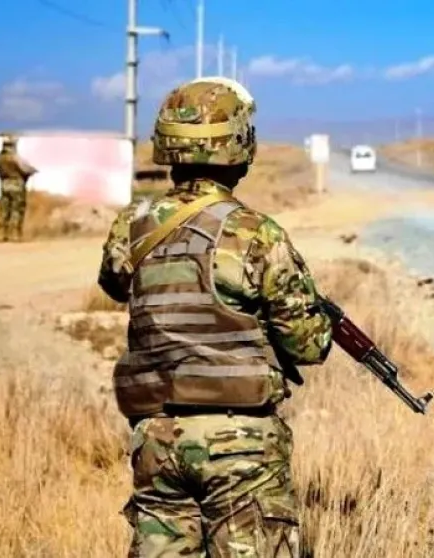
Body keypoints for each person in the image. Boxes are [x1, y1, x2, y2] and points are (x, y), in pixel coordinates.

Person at [96, 76, 333, 557]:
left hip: (156, 442)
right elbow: (308, 346)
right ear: (240, 145)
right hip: (239, 443)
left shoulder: (133, 225)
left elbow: (114, 283)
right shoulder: (255, 233)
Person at [0, 135, 38, 241]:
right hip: (17, 185)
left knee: (4, 211)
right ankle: (15, 235)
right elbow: (24, 169)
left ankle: (2, 234)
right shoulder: (14, 157)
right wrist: (32, 171)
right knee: (17, 210)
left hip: (4, 185)